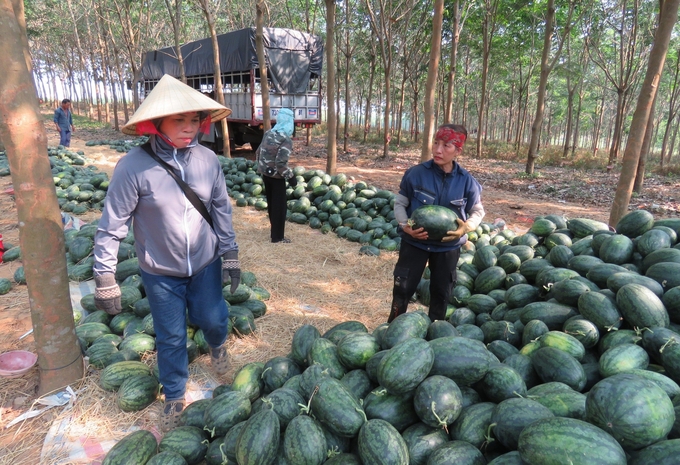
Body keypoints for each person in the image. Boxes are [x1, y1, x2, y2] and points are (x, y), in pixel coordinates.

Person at [92, 74, 240, 432]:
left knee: (214, 318)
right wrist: (105, 275)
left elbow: (220, 207)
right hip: (160, 273)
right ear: (157, 123)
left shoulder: (208, 160)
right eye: (180, 120)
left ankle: (218, 347)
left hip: (205, 262)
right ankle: (174, 396)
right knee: (171, 336)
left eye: (195, 120)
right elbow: (113, 223)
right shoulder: (133, 167)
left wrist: (230, 251)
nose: (190, 128)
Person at [388, 124, 485, 323]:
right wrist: (405, 225)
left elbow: (477, 211)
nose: (438, 150)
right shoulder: (415, 173)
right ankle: (392, 329)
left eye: (446, 145)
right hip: (414, 243)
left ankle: (434, 332)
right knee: (402, 289)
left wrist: (467, 227)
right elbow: (400, 203)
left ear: (458, 150)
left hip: (447, 249)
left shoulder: (467, 182)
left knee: (441, 294)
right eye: (436, 143)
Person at [255, 108, 297, 243]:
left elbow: (258, 152)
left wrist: (263, 168)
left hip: (265, 175)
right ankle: (278, 237)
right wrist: (290, 177)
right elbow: (280, 163)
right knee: (280, 207)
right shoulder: (286, 139)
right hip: (277, 177)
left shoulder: (269, 133)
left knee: (272, 205)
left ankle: (274, 234)